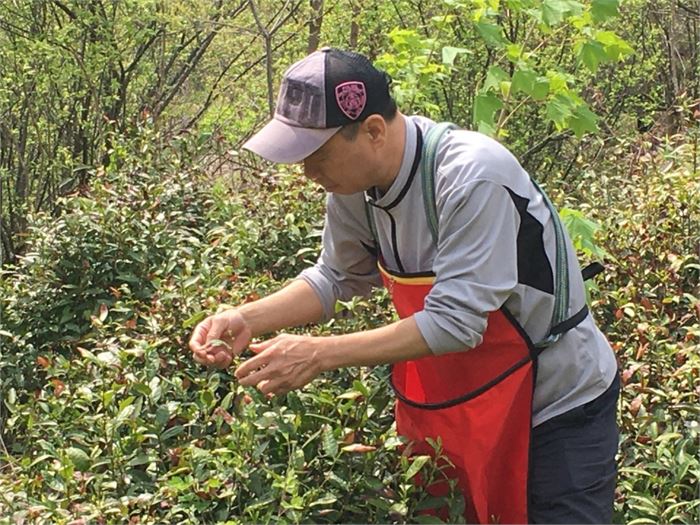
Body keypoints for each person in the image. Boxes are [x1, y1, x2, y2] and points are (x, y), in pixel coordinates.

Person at [189, 47, 620, 524]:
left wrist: (317, 354)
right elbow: (335, 277)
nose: (307, 172)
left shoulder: (470, 175)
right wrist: (245, 317)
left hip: (555, 405)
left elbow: (456, 325)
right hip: (465, 403)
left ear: (373, 130)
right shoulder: (355, 186)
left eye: (316, 155)